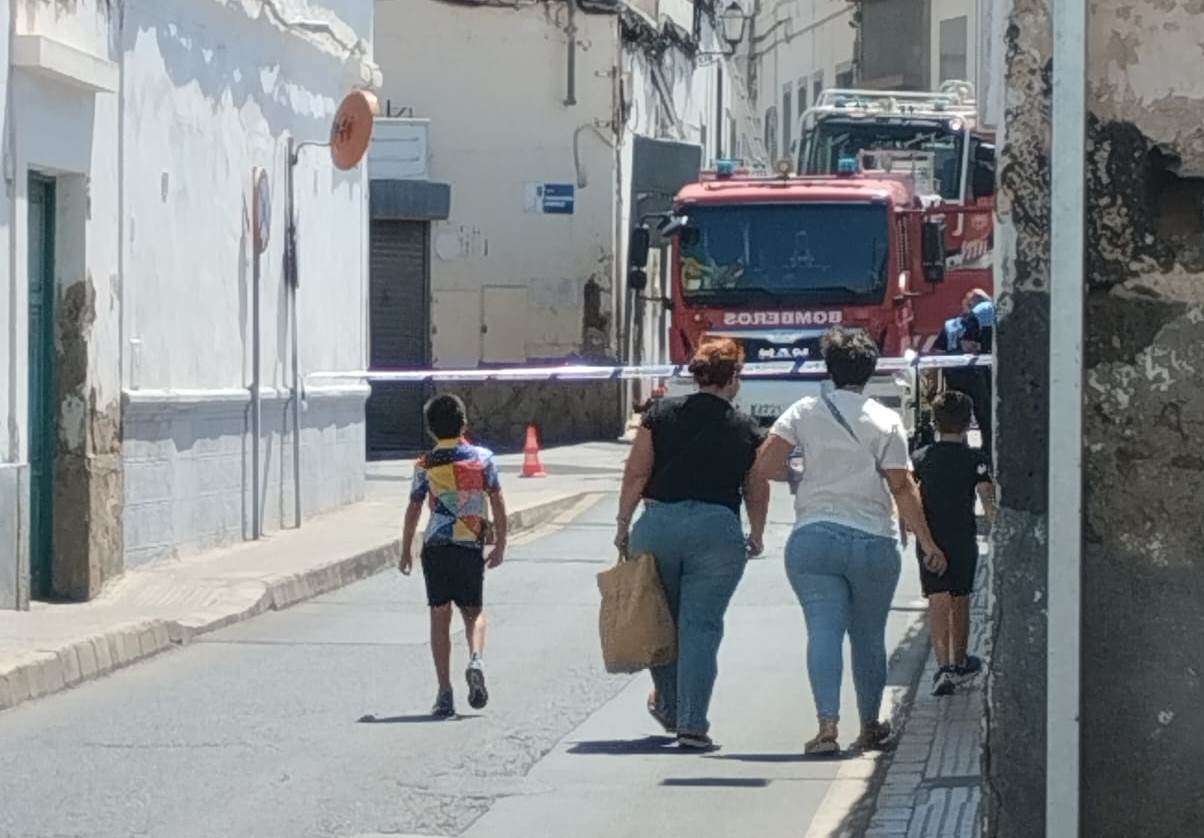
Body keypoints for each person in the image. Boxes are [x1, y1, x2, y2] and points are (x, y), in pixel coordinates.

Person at [752, 326, 947, 755]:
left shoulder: (804, 410)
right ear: (871, 370)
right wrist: (927, 542)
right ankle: (871, 725)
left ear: (829, 368)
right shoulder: (887, 420)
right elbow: (901, 486)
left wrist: (798, 475)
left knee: (823, 630)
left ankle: (827, 726)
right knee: (869, 637)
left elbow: (765, 465)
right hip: (874, 539)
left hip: (814, 536)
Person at [614, 337, 770, 751]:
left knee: (658, 621)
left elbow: (636, 473)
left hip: (659, 524)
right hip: (717, 530)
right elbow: (756, 489)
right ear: (732, 378)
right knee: (701, 627)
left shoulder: (659, 415)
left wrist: (624, 522)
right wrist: (756, 533)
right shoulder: (746, 429)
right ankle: (692, 723)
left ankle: (668, 702)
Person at [400, 394, 507, 718]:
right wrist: (501, 543)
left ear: (431, 429)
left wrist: (406, 550)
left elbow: (414, 507)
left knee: (439, 615)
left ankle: (444, 692)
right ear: (464, 423)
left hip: (436, 546)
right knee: (474, 612)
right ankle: (475, 658)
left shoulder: (425, 464)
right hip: (469, 545)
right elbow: (498, 501)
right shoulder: (483, 459)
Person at [910, 391, 996, 697]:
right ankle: (960, 662)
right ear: (968, 422)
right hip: (962, 538)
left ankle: (942, 666)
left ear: (935, 422)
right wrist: (997, 528)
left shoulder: (921, 458)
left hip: (931, 539)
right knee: (960, 599)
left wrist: (916, 534)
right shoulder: (975, 459)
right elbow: (986, 497)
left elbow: (910, 497)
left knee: (937, 598)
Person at [935, 289, 994, 465]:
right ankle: (988, 452)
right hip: (976, 373)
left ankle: (960, 449)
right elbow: (969, 345)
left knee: (956, 411)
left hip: (953, 373)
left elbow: (939, 351)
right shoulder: (983, 314)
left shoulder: (950, 325)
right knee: (984, 414)